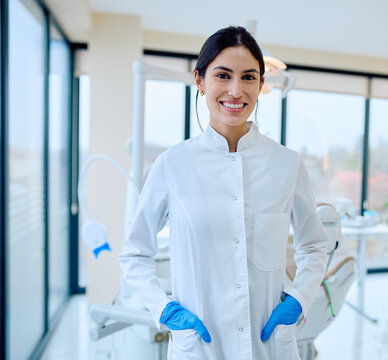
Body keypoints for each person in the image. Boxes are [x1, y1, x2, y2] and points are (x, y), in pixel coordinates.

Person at [118, 26, 329, 360]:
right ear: (200, 81)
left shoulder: (287, 164)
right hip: (199, 346)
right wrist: (165, 309)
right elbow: (134, 253)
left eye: (248, 77)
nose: (236, 90)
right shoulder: (172, 164)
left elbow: (315, 246)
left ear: (261, 85)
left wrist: (299, 298)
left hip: (270, 344)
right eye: (223, 75)